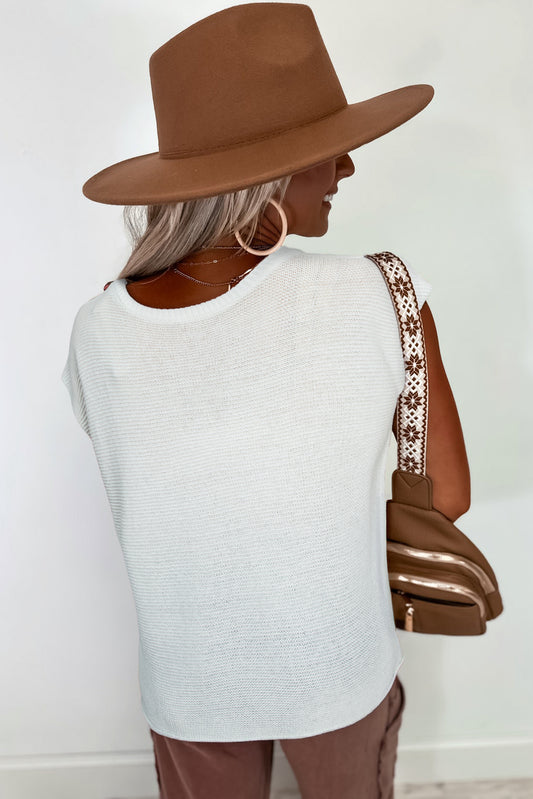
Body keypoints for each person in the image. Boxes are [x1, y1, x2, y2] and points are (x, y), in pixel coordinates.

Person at [61, 4, 470, 798]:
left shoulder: (98, 328)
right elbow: (445, 495)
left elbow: (171, 490)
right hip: (337, 664)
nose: (347, 167)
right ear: (268, 173)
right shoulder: (380, 292)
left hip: (187, 679)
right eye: (327, 149)